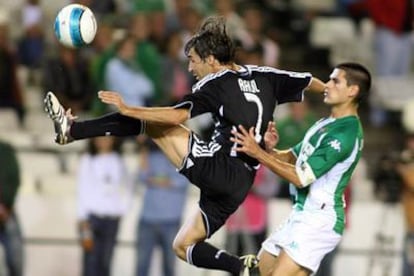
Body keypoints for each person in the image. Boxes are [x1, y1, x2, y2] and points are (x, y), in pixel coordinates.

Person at [44, 16, 325, 275]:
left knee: (154, 124)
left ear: (211, 60)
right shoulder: (265, 75)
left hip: (219, 167)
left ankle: (72, 130)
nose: (190, 68)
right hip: (240, 184)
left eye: (193, 60)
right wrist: (333, 93)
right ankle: (241, 268)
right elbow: (309, 81)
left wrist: (128, 108)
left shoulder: (216, 82)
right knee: (183, 245)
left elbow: (175, 115)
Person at [230, 62, 371, 276]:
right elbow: (292, 157)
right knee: (257, 272)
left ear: (353, 90)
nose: (327, 84)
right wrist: (269, 149)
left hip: (319, 219)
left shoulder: (345, 133)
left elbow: (301, 178)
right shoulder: (325, 123)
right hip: (301, 214)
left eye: (335, 80)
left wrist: (258, 154)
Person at [77, 136, 133, 276]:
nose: (103, 141)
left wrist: (122, 210)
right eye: (99, 138)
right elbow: (82, 190)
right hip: (92, 219)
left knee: (105, 263)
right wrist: (83, 219)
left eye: (107, 138)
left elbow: (127, 188)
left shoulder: (119, 161)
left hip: (111, 220)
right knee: (90, 263)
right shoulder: (88, 160)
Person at [136, 138, 188, 276]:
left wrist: (155, 179)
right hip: (147, 219)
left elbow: (182, 182)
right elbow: (142, 176)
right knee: (141, 267)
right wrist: (143, 146)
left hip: (171, 221)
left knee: (169, 268)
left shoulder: (182, 159)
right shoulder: (152, 156)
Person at [0, 140, 24, 276]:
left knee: (15, 257)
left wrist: (7, 205)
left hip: (6, 210)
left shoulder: (5, 150)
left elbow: (14, 178)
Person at [396, 133, 414, 276]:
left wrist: (405, 171)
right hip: (410, 222)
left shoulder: (408, 170)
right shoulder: (407, 160)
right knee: (407, 259)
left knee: (408, 262)